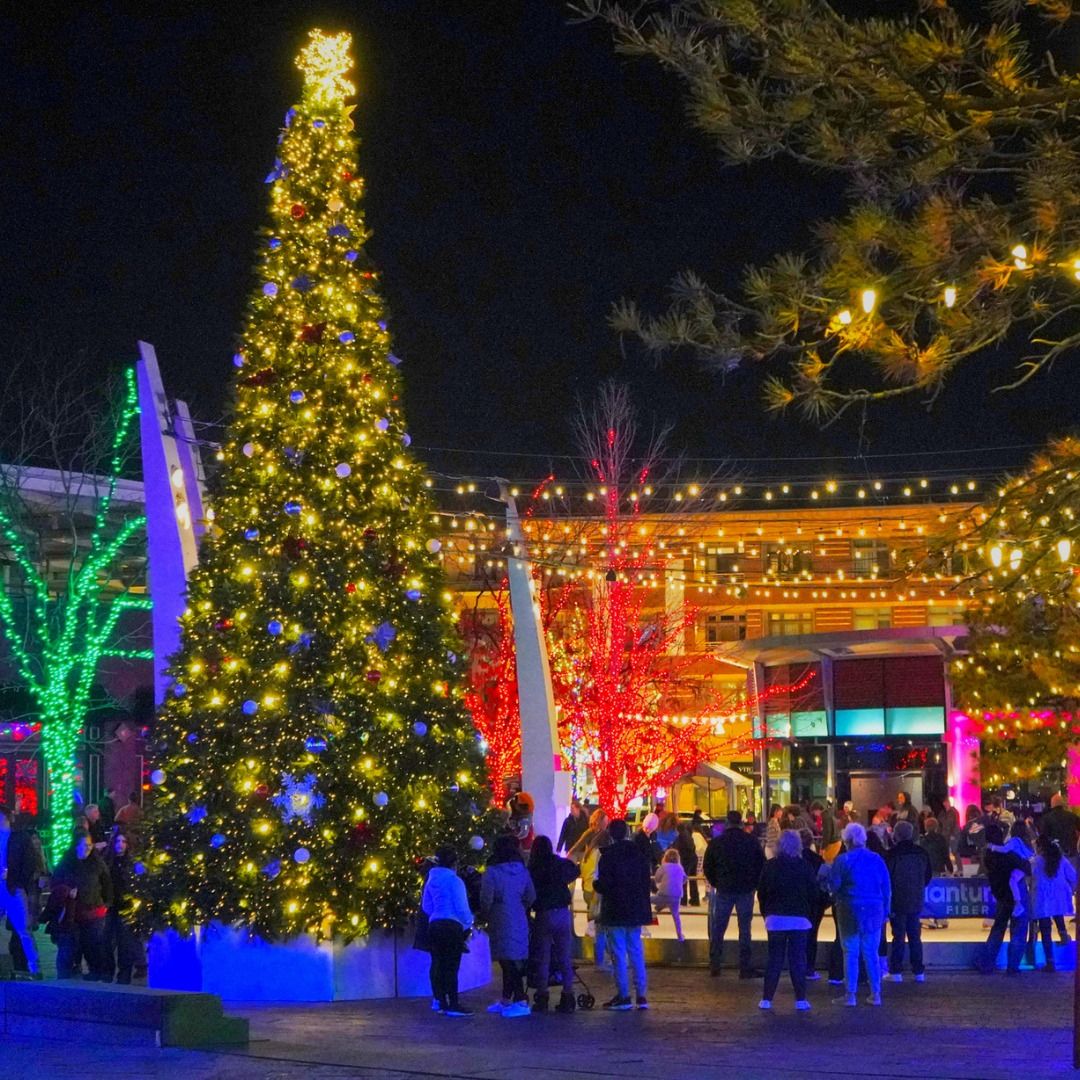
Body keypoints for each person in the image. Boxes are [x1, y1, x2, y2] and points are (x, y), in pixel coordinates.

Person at [756, 829, 818, 1011]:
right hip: (799, 919)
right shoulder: (804, 866)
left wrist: (766, 913)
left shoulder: (770, 866)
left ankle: (767, 998)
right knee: (798, 959)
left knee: (774, 958)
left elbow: (762, 893)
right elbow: (813, 893)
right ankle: (800, 999)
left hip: (775, 918)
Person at [830, 822, 891, 1007]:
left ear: (847, 840)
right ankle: (876, 993)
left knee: (850, 951)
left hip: (849, 908)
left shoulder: (842, 861)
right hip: (874, 909)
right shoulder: (877, 859)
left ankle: (850, 994)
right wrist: (886, 911)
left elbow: (834, 886)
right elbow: (886, 888)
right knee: (871, 951)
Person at [594, 818, 652, 1011]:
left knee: (618, 953)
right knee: (636, 950)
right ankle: (642, 995)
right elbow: (646, 882)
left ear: (611, 834)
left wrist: (596, 885)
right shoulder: (639, 855)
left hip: (615, 910)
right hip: (635, 909)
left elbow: (603, 885)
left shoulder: (607, 856)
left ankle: (623, 995)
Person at [702, 808, 764, 978]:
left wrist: (717, 882)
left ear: (727, 824)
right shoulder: (751, 841)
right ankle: (745, 966)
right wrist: (754, 884)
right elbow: (761, 864)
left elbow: (707, 866)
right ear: (741, 823)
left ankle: (715, 963)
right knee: (745, 928)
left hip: (725, 889)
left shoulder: (717, 842)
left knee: (719, 927)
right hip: (745, 889)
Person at [480, 832, 536, 1017]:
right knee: (512, 959)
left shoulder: (492, 872)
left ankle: (520, 1000)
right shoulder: (523, 871)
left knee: (508, 961)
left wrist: (485, 912)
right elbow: (531, 896)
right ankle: (507, 999)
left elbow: (486, 899)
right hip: (518, 916)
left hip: (499, 918)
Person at [48, 832, 113, 981]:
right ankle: (66, 977)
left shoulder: (97, 863)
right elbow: (55, 883)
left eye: (90, 845)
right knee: (69, 948)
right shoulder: (66, 863)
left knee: (93, 947)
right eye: (85, 845)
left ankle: (95, 977)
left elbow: (106, 883)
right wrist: (67, 891)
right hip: (72, 914)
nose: (88, 848)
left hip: (93, 913)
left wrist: (106, 904)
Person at [527, 835, 579, 1013]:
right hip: (562, 912)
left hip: (544, 913)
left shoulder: (534, 868)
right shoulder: (558, 864)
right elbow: (574, 870)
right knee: (564, 956)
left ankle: (542, 996)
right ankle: (568, 994)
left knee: (543, 957)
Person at [421, 845, 474, 1016]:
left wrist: (435, 914)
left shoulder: (431, 879)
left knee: (437, 963)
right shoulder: (455, 881)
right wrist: (468, 922)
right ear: (454, 863)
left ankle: (440, 1001)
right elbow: (462, 908)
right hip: (452, 926)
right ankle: (454, 1004)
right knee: (451, 966)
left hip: (434, 924)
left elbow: (426, 905)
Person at [977, 821, 1030, 976]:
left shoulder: (988, 855)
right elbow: (1025, 866)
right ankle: (1013, 966)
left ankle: (987, 963)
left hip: (1001, 895)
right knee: (1019, 929)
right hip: (1017, 893)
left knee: (998, 928)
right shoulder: (1009, 854)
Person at [884, 821, 932, 983]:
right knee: (915, 935)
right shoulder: (921, 853)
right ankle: (918, 971)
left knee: (898, 935)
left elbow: (886, 877)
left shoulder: (892, 854)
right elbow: (928, 876)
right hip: (916, 898)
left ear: (896, 835)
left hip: (897, 899)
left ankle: (896, 971)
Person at [0, 805, 41, 980]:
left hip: (12, 887)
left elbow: (30, 863)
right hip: (8, 886)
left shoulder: (19, 838)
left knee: (23, 929)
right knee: (23, 930)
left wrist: (15, 879)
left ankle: (34, 967)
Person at [1030, 833, 1076, 971]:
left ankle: (1050, 962)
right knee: (1058, 914)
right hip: (1059, 896)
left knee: (1045, 930)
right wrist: (1071, 889)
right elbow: (1073, 876)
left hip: (1041, 898)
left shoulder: (1035, 861)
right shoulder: (1061, 859)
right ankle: (1063, 935)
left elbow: (1027, 877)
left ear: (1039, 847)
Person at [105, 831, 144, 984]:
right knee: (106, 941)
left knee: (125, 943)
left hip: (126, 907)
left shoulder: (132, 864)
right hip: (110, 906)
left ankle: (124, 975)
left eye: (123, 842)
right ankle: (108, 973)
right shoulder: (108, 862)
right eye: (118, 841)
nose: (120, 845)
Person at [799, 828, 829, 980]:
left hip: (797, 903)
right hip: (814, 903)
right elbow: (825, 883)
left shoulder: (793, 859)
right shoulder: (818, 860)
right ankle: (809, 968)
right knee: (812, 935)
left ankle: (797, 966)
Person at [582, 826, 613, 971]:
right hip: (598, 892)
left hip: (588, 891)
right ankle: (605, 958)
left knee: (598, 928)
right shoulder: (601, 855)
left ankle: (600, 959)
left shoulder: (588, 853)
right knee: (604, 929)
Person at [919, 817, 955, 929]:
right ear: (936, 827)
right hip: (938, 869)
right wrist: (950, 868)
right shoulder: (941, 839)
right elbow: (945, 855)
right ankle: (941, 918)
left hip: (925, 870)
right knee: (938, 894)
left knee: (928, 894)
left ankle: (927, 917)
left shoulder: (922, 840)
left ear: (926, 827)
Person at [653, 848, 687, 941]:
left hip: (664, 894)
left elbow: (657, 879)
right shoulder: (680, 867)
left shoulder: (663, 867)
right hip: (677, 896)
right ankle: (680, 936)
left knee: (648, 899)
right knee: (676, 916)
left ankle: (655, 911)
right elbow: (685, 878)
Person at [1039, 793, 1079, 862]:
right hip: (1071, 852)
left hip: (1054, 855)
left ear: (1051, 805)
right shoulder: (1072, 816)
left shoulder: (1046, 818)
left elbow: (1043, 836)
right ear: (1062, 805)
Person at [674, 822, 700, 906]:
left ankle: (683, 900)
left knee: (683, 880)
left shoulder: (681, 836)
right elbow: (692, 847)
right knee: (693, 880)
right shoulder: (688, 835)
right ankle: (695, 899)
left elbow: (680, 847)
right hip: (693, 858)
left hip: (686, 860)